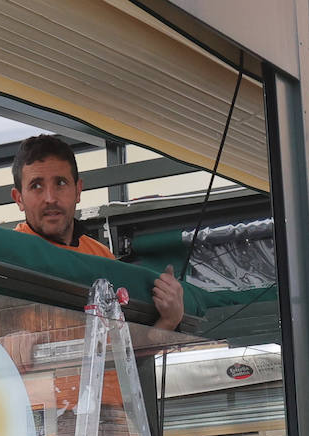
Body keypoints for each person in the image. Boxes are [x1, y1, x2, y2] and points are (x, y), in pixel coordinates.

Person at [10, 134, 184, 330]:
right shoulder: (7, 255)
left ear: (78, 190)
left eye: (60, 183)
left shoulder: (102, 257)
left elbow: (127, 351)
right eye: (37, 186)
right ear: (19, 199)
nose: (50, 198)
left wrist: (169, 320)